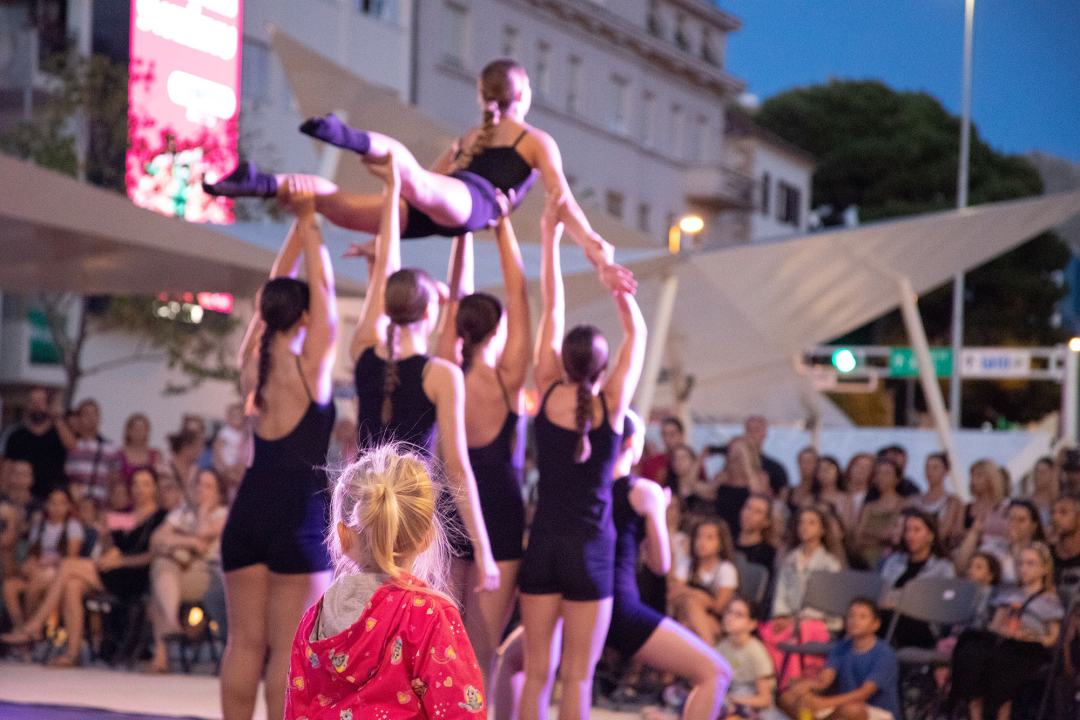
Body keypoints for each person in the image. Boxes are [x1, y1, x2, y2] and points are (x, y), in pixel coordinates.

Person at [204, 60, 634, 296]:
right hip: (472, 203)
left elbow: (425, 183)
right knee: (407, 183)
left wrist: (389, 224)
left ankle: (260, 182)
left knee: (343, 210)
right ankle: (345, 135)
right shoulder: (535, 139)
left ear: (482, 96)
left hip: (441, 206)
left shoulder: (468, 138)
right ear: (522, 97)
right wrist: (598, 253)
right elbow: (563, 202)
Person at [489, 410, 731, 720]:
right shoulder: (643, 490)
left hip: (568, 600)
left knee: (511, 658)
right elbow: (660, 565)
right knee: (715, 672)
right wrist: (659, 512)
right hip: (616, 608)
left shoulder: (578, 487)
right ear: (634, 443)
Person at [516, 192, 646, 720]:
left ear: (564, 361)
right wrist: (614, 280)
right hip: (592, 551)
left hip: (542, 544)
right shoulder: (612, 405)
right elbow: (636, 332)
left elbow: (553, 305)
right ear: (603, 365)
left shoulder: (546, 390)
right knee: (578, 677)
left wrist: (550, 237)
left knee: (536, 671)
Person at [347, 153, 499, 598]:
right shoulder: (440, 375)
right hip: (411, 511)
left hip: (365, 504)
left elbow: (389, 273)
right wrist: (483, 548)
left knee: (366, 625)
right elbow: (458, 468)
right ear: (431, 313)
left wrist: (395, 191)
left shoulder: (361, 353)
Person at [218, 176, 339, 720]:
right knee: (292, 656)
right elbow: (327, 295)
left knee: (243, 643)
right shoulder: (310, 366)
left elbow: (274, 293)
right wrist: (310, 221)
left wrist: (295, 230)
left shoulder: (253, 362)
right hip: (298, 515)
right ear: (307, 319)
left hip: (248, 511)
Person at [284, 444, 487, 719]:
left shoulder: (314, 620)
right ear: (426, 536)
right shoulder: (430, 615)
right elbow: (462, 710)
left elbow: (298, 709)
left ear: (343, 537)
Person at [433, 216, 530, 684]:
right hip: (501, 512)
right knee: (480, 654)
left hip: (451, 504)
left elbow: (455, 297)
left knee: (443, 649)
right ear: (498, 330)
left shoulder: (443, 367)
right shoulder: (508, 379)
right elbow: (519, 294)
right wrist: (501, 225)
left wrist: (463, 229)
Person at [1, 467, 166, 665]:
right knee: (72, 585)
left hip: (136, 575)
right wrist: (105, 535)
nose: (139, 489)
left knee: (69, 565)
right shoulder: (124, 514)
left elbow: (151, 556)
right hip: (113, 571)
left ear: (155, 488)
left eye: (145, 484)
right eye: (136, 484)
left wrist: (122, 560)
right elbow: (111, 550)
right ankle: (72, 654)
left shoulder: (159, 517)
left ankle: (35, 625)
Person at [949, 543, 1063, 720]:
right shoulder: (1010, 595)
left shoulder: (1049, 600)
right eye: (1021, 563)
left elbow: (1052, 639)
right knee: (971, 646)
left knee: (1000, 661)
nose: (1024, 568)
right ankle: (971, 711)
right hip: (1004, 642)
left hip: (1028, 648)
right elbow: (994, 627)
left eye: (1030, 563)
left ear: (1044, 568)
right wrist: (1003, 628)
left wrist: (1027, 635)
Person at [148, 468, 229, 673]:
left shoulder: (224, 514)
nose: (201, 489)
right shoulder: (182, 512)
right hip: (180, 573)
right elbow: (156, 540)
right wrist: (189, 541)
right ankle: (172, 623)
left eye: (208, 486)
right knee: (160, 566)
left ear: (219, 492)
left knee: (159, 580)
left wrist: (202, 512)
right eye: (198, 484)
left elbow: (203, 534)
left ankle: (162, 653)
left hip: (209, 575)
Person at [780, 598, 900, 720]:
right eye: (851, 616)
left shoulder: (884, 654)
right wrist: (806, 685)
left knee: (851, 710)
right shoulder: (841, 646)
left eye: (862, 617)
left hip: (876, 711)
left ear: (876, 624)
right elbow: (824, 680)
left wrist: (824, 703)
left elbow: (864, 693)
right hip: (842, 705)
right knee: (787, 698)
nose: (855, 621)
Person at [761, 508, 844, 685]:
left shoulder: (830, 564)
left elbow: (826, 604)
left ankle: (793, 682)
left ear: (822, 530)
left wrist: (795, 619)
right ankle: (774, 684)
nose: (804, 527)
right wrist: (781, 615)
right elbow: (781, 592)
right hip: (790, 617)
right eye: (801, 522)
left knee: (796, 632)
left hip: (819, 622)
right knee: (769, 630)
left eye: (811, 523)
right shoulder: (790, 559)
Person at [2, 487, 83, 629]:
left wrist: (43, 565)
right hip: (37, 573)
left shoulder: (73, 526)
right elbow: (33, 554)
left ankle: (32, 632)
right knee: (9, 586)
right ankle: (20, 628)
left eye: (61, 503)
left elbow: (70, 559)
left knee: (34, 586)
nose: (56, 507)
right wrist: (30, 564)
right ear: (46, 504)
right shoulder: (39, 526)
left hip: (56, 575)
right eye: (53, 503)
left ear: (68, 506)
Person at [878, 509, 956, 648]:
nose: (910, 536)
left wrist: (901, 601)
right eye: (907, 530)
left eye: (917, 530)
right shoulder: (894, 561)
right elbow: (881, 592)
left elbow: (943, 603)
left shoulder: (943, 567)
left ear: (930, 535)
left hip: (923, 622)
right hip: (890, 615)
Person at [669, 518, 739, 645]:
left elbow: (718, 607)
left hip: (714, 621)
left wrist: (691, 595)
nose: (701, 542)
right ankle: (709, 657)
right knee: (689, 608)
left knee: (690, 605)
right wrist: (699, 596)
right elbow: (673, 596)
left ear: (721, 543)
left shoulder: (726, 569)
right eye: (698, 537)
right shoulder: (686, 564)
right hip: (682, 616)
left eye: (709, 538)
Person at [1, 387, 72, 500]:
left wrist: (57, 417)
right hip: (24, 499)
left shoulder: (59, 434)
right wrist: (3, 495)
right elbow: (7, 469)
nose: (37, 405)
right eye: (33, 401)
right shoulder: (16, 436)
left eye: (40, 401)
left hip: (52, 501)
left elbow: (72, 446)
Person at [956, 499, 1045, 585]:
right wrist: (974, 532)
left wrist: (1016, 545)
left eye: (1021, 520)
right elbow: (961, 568)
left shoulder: (1038, 550)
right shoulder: (995, 544)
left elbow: (1023, 581)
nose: (1014, 524)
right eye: (1011, 519)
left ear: (1033, 525)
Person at [716, 597, 776, 720]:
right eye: (729, 612)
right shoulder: (722, 646)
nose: (730, 618)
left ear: (752, 624)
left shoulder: (756, 651)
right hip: (729, 696)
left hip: (749, 702)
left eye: (739, 615)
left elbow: (765, 700)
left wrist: (735, 700)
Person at [853, 460, 912, 567]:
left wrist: (868, 535)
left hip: (888, 561)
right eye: (878, 473)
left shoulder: (903, 504)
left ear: (897, 478)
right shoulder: (869, 506)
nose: (881, 477)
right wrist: (880, 539)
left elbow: (889, 536)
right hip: (862, 561)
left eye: (886, 473)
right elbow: (858, 538)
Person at [63, 399, 121, 504]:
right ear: (79, 418)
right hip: (73, 505)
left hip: (99, 506)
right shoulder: (71, 446)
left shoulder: (109, 448)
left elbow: (115, 480)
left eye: (94, 414)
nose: (90, 418)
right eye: (86, 414)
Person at [714, 436, 772, 539]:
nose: (735, 455)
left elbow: (758, 493)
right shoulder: (721, 477)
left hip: (747, 531)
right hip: (724, 531)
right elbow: (701, 490)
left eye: (739, 451)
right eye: (732, 450)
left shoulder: (761, 477)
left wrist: (746, 462)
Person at [916, 452, 963, 549]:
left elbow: (945, 531)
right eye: (927, 468)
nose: (930, 472)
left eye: (935, 468)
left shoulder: (952, 501)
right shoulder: (917, 500)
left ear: (945, 471)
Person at [744, 415, 788, 499]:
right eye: (749, 430)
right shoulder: (735, 466)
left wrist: (765, 490)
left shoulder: (776, 469)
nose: (752, 435)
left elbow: (781, 504)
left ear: (764, 434)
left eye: (756, 430)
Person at [963, 459, 1009, 539]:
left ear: (991, 477)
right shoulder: (966, 509)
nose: (974, 480)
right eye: (972, 476)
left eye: (979, 475)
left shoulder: (1004, 507)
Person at [118, 413, 163, 490]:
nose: (138, 432)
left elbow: (160, 483)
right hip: (125, 500)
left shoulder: (156, 455)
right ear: (128, 431)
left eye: (141, 429)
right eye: (135, 429)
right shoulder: (119, 454)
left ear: (147, 431)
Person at [212, 403, 249, 494]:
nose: (236, 418)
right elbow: (218, 448)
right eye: (233, 416)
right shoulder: (226, 432)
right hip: (228, 465)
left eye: (239, 415)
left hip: (239, 465)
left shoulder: (243, 433)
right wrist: (224, 463)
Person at [638, 417, 689, 483]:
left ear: (681, 435)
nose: (667, 439)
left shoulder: (692, 463)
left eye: (672, 434)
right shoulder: (652, 462)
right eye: (664, 434)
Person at [736, 493, 777, 571]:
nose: (749, 514)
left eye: (757, 512)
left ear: (766, 521)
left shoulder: (768, 554)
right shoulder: (727, 543)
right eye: (748, 508)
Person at [842, 453, 876, 530]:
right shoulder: (839, 493)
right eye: (858, 466)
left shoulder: (872, 499)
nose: (861, 470)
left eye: (866, 468)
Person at [1025, 456, 1058, 534]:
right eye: (1036, 472)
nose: (1037, 476)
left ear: (1052, 475)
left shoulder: (1057, 501)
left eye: (1042, 472)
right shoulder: (1028, 501)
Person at [788, 446, 819, 510]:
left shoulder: (821, 492)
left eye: (809, 462)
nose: (805, 466)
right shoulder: (789, 492)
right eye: (803, 461)